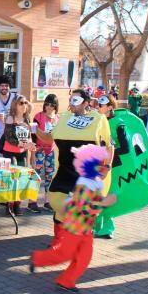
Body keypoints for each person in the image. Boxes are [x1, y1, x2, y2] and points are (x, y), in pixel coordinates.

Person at [30, 144, 117, 293]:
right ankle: (38, 259)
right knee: (64, 254)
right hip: (75, 227)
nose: (102, 167)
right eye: (99, 164)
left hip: (86, 229)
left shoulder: (92, 179)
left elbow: (101, 174)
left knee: (84, 258)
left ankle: (66, 281)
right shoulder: (85, 185)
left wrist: (107, 165)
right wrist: (104, 202)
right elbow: (85, 207)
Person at [35, 89, 112, 247]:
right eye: (71, 100)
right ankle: (59, 239)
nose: (71, 103)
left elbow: (109, 147)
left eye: (76, 100)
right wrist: (32, 129)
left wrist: (107, 166)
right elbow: (49, 138)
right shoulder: (63, 119)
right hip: (65, 170)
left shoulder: (98, 120)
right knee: (58, 202)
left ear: (85, 103)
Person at [0, 95, 37, 216]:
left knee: (21, 178)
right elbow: (10, 138)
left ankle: (17, 204)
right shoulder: (10, 118)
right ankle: (9, 205)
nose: (24, 105)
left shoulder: (26, 119)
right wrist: (24, 145)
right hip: (10, 152)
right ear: (15, 105)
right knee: (12, 177)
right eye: (21, 103)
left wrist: (30, 145)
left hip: (22, 153)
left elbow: (29, 136)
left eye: (25, 103)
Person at [93, 95, 118, 239]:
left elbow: (123, 146)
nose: (98, 107)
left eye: (101, 105)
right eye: (98, 104)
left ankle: (108, 227)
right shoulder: (97, 120)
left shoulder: (116, 122)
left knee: (108, 195)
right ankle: (96, 226)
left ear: (109, 107)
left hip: (111, 166)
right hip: (98, 164)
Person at [32, 94, 60, 213]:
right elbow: (33, 134)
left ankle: (47, 201)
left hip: (51, 150)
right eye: (47, 104)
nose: (48, 107)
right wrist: (33, 150)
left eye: (51, 105)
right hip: (39, 149)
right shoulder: (38, 116)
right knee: (36, 175)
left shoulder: (58, 118)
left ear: (55, 106)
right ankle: (32, 201)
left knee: (49, 176)